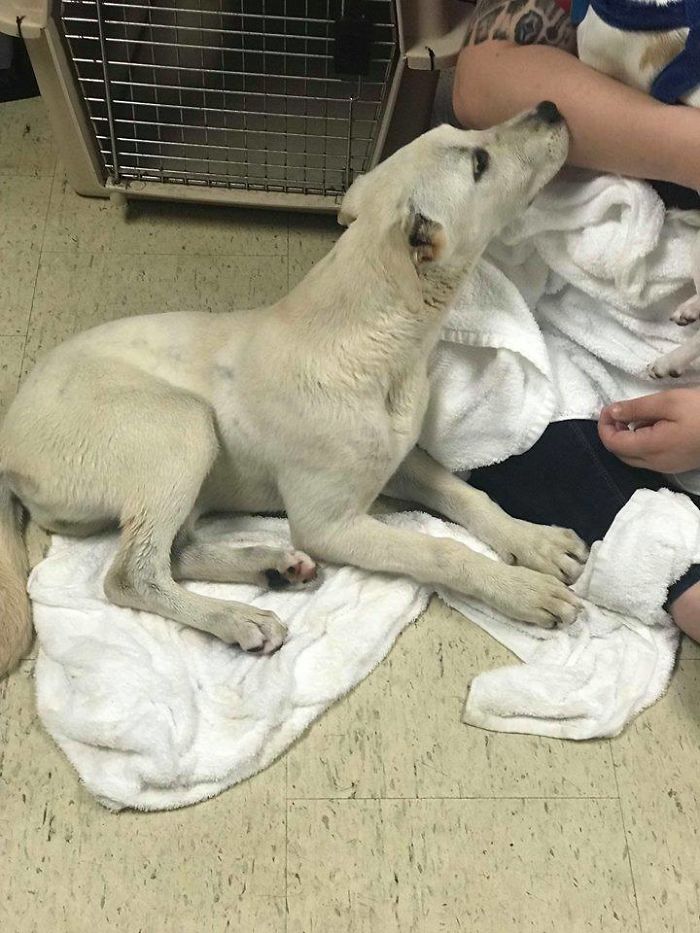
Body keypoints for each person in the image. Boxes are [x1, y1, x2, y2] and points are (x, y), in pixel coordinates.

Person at [450, 0, 700, 640]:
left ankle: (670, 561)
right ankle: (666, 552)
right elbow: (481, 83)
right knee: (456, 359)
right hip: (593, 257)